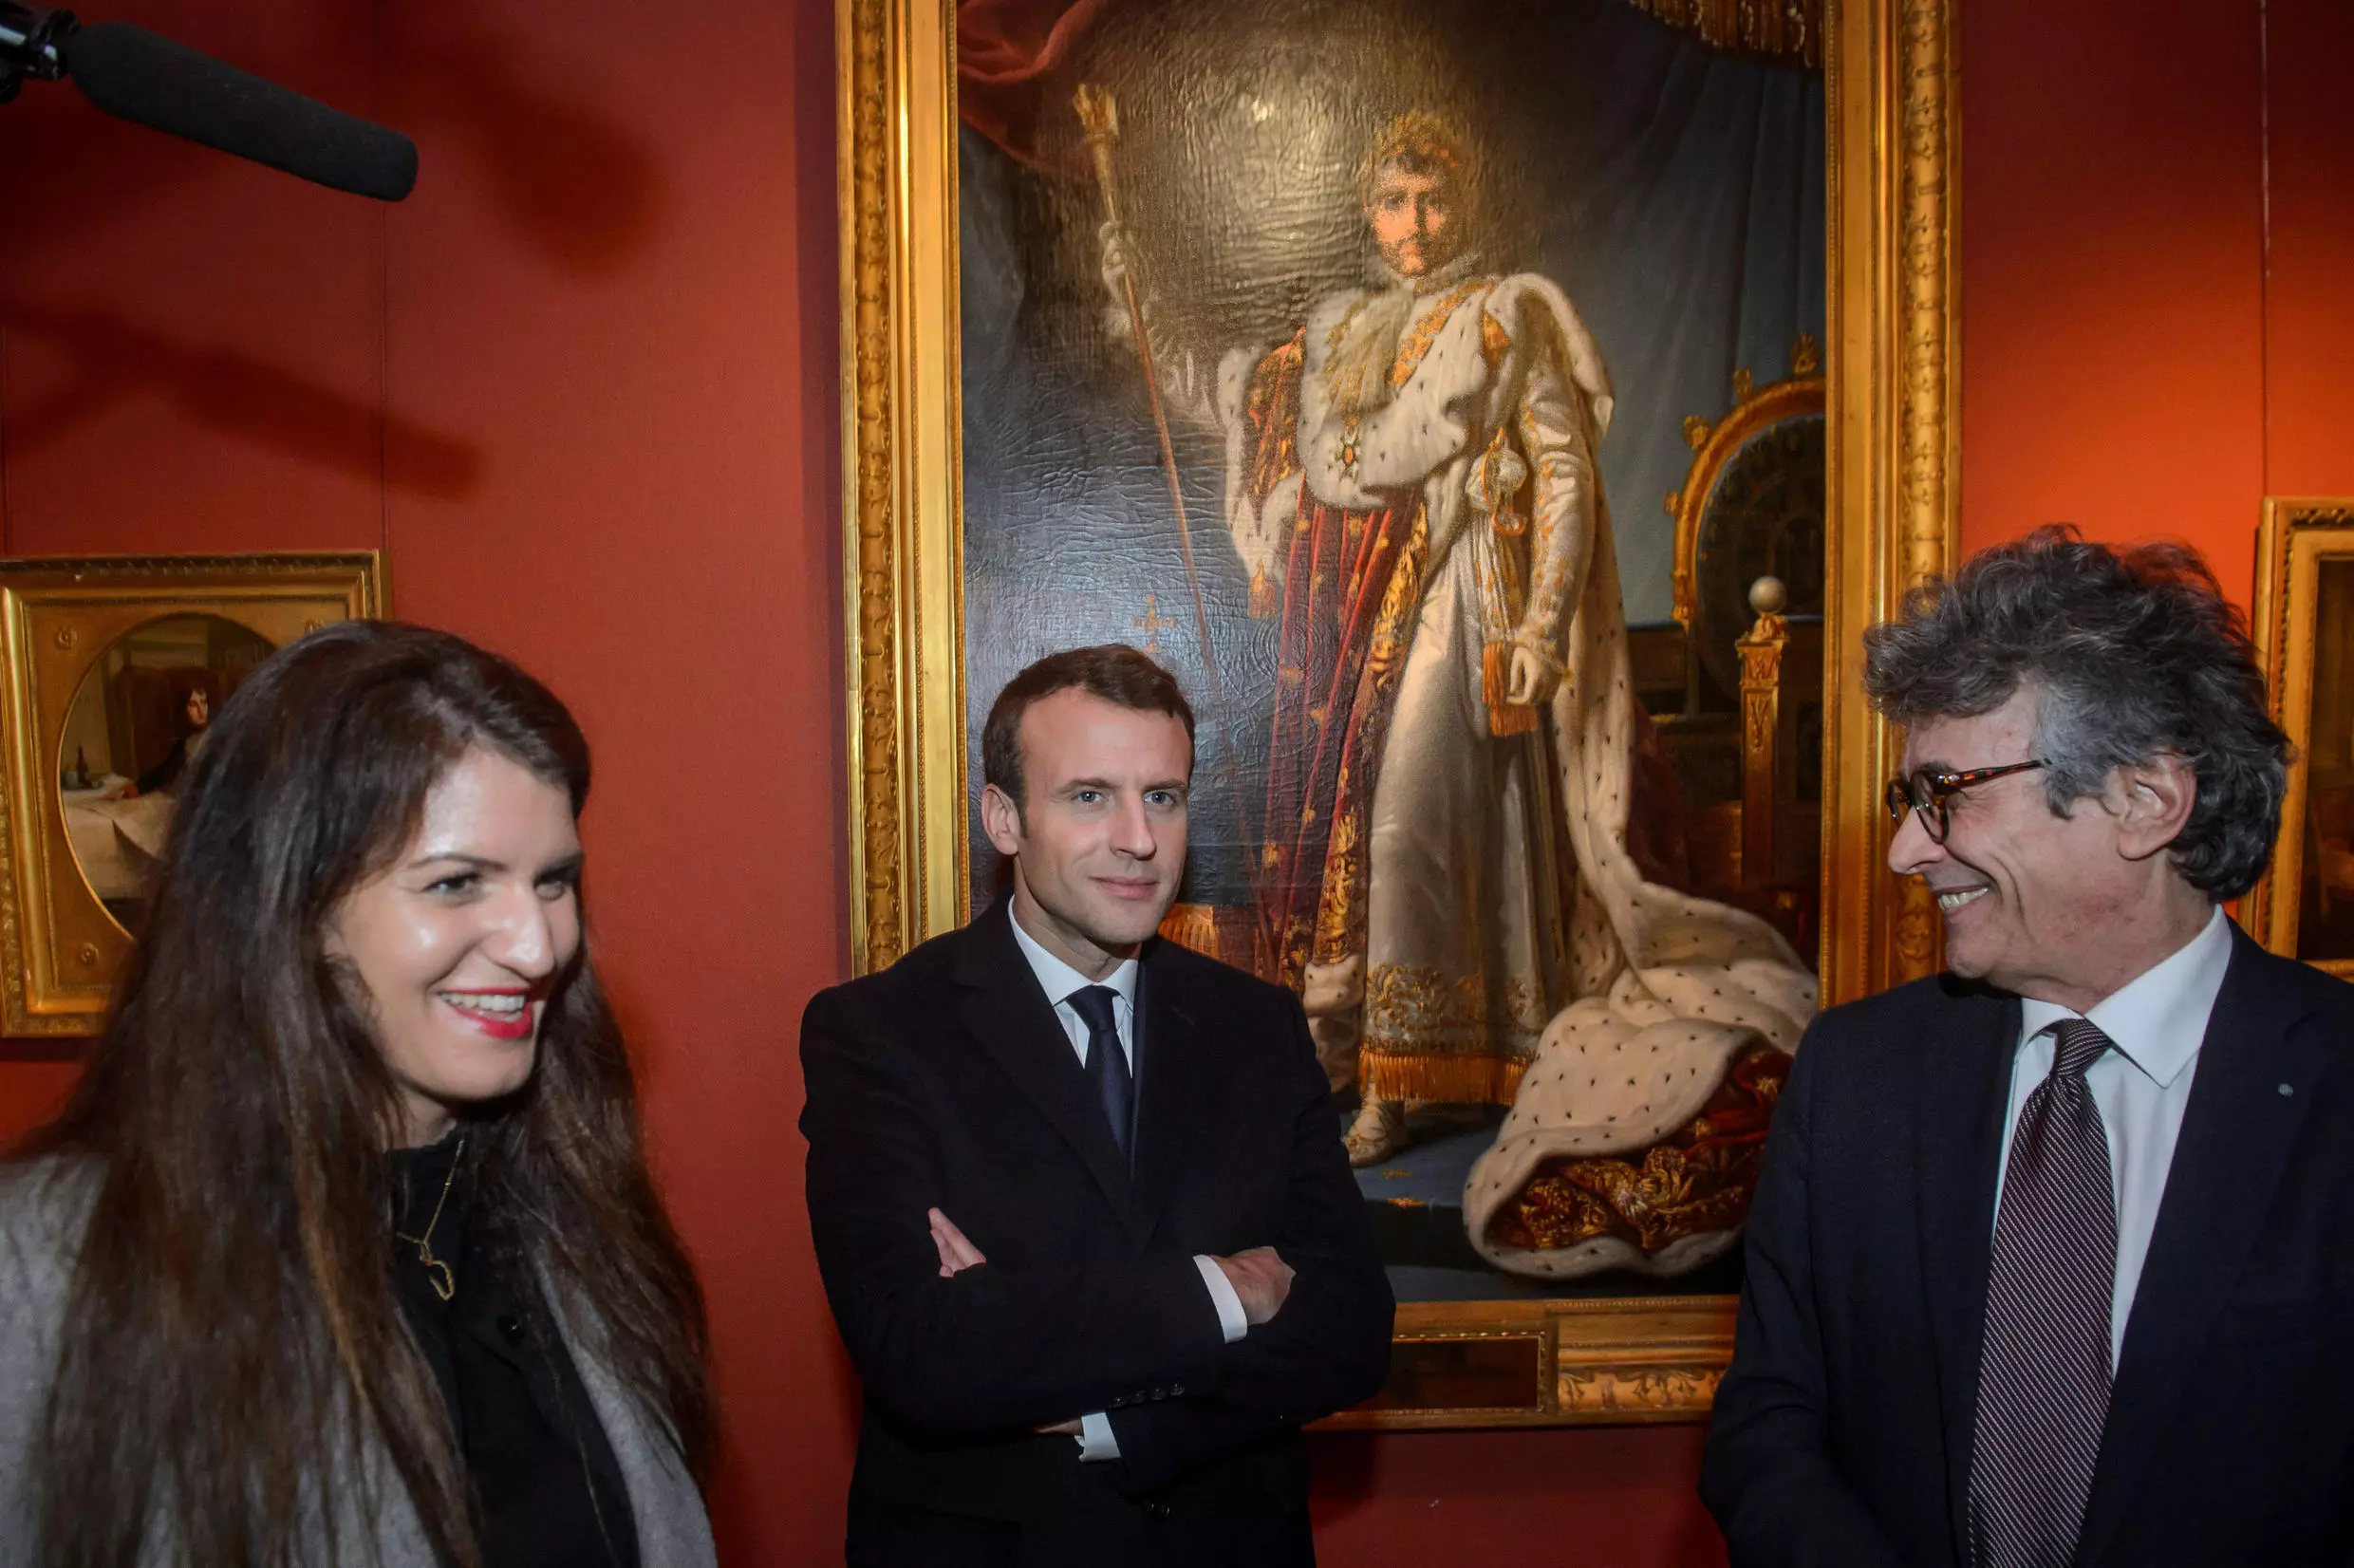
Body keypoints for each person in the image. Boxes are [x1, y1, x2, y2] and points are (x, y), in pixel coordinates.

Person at [1100, 110, 1812, 1278]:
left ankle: (1408, 1072)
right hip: (1357, 629)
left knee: (1414, 824)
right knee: (1392, 833)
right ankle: (1431, 1057)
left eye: (1431, 200)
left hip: (1466, 590)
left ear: (1462, 205)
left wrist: (1538, 626)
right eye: (1392, 201)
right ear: (1366, 214)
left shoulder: (1504, 317)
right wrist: (1138, 294)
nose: (1413, 225)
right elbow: (1249, 417)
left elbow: (1568, 472)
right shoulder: (1335, 341)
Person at [1701, 527, 2354, 1567]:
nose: (1904, 848)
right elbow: (1765, 1426)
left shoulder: (2333, 1085)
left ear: (2141, 799)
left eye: (1944, 794)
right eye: (1906, 800)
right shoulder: (1854, 1075)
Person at [0, 621, 717, 1568]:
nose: (539, 946)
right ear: (288, 910)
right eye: (457, 882)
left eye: (553, 881)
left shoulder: (571, 1215)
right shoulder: (53, 1261)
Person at [801, 644, 1393, 1566]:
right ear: (1004, 816)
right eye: (1089, 795)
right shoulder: (879, 1031)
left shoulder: (1256, 1026)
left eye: (1161, 795)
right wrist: (1223, 1287)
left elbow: (1350, 1328)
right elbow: (919, 1351)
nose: (1139, 838)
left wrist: (1095, 1398)